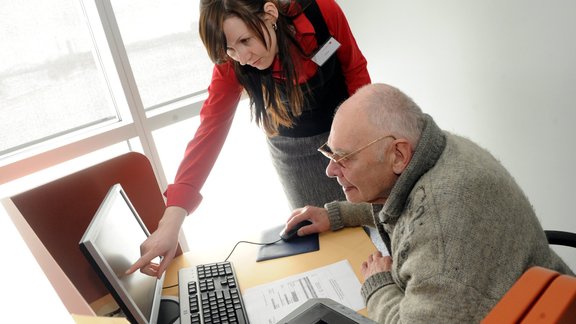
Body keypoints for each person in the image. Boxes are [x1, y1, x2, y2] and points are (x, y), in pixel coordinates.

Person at [283, 83, 574, 323]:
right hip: (534, 292)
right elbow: (400, 200)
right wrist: (337, 215)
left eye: (343, 158)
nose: (330, 171)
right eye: (331, 154)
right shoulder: (437, 149)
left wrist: (378, 286)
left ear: (398, 154)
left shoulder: (442, 227)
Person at [127, 0, 370, 277]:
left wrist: (365, 143)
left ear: (269, 14)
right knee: (326, 244)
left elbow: (355, 71)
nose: (242, 57)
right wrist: (169, 223)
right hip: (292, 152)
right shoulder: (232, 64)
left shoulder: (322, 13)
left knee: (372, 218)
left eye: (245, 40)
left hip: (349, 135)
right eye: (230, 49)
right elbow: (209, 130)